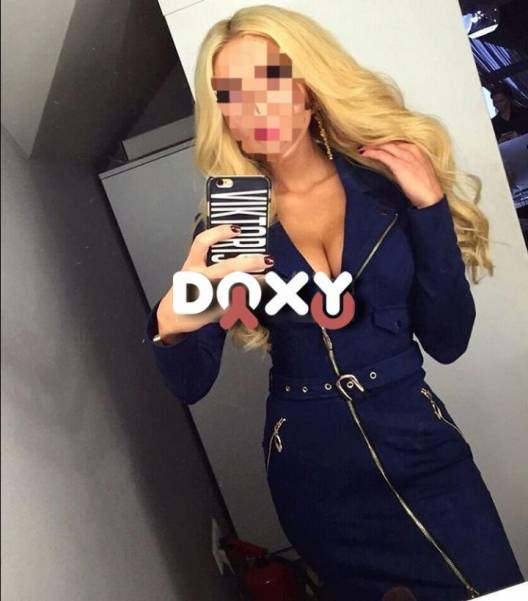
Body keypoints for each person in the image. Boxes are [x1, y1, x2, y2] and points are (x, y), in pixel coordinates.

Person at [145, 6, 525, 600]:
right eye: (230, 95)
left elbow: (448, 340)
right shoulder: (238, 216)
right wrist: (171, 324)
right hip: (312, 466)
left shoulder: (385, 181)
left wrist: (429, 211)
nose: (253, 108)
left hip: (421, 446)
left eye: (268, 80)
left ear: (305, 86)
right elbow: (191, 382)